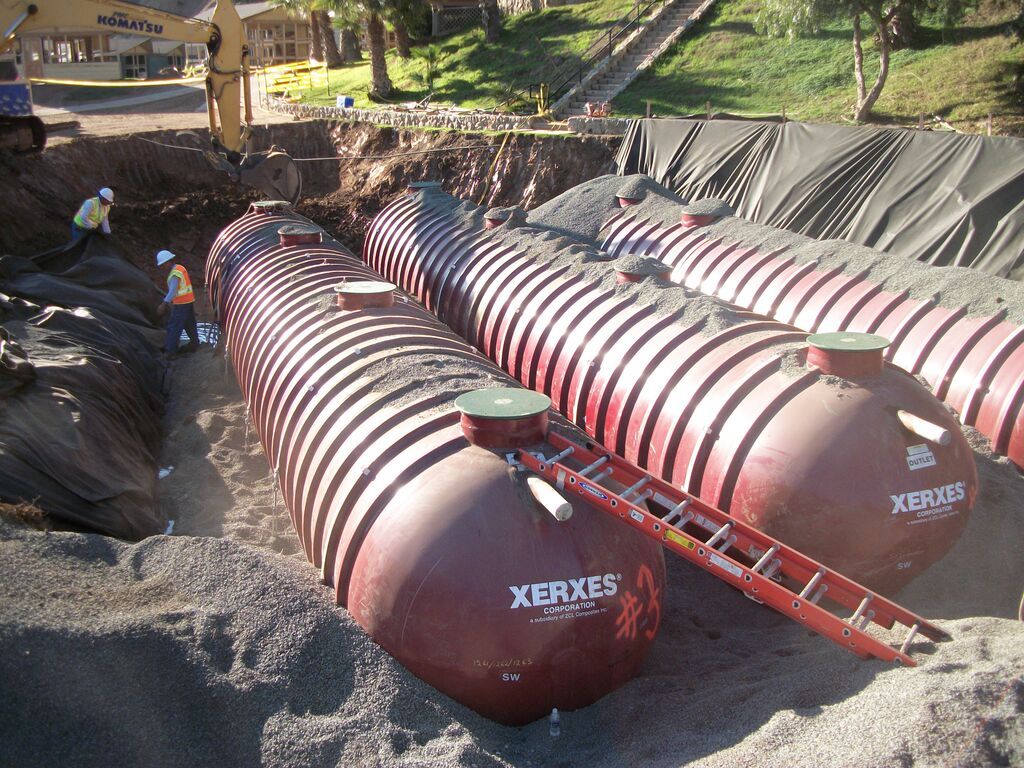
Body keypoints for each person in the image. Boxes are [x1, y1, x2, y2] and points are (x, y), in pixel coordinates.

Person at [156, 249, 199, 356]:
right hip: (188, 300)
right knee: (189, 323)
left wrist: (164, 304)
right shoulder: (180, 268)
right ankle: (194, 343)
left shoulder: (175, 273)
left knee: (174, 326)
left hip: (181, 303)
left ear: (168, 261)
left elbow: (173, 291)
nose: (163, 267)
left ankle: (170, 351)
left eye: (163, 264)